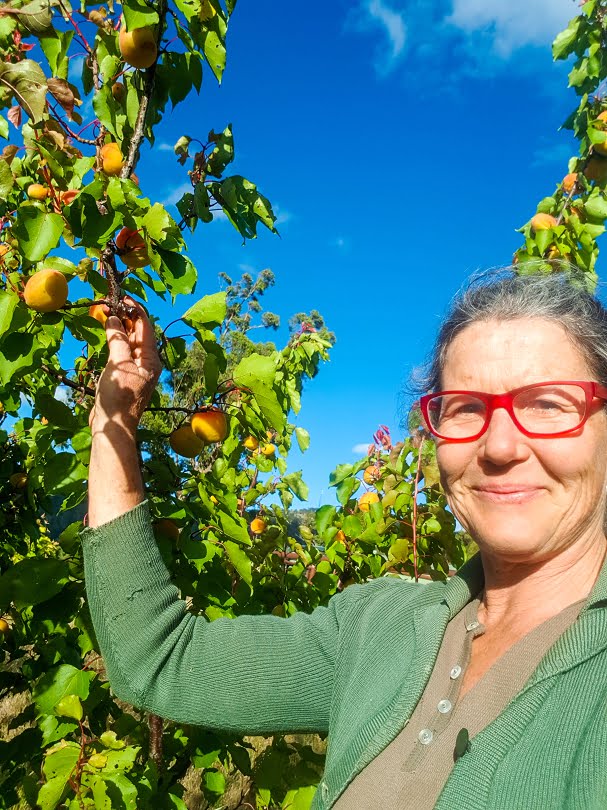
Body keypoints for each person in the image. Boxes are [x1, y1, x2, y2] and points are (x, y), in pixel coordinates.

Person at [82, 270, 607, 809]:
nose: (499, 447)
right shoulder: (378, 627)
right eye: (466, 408)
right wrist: (114, 419)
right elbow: (160, 660)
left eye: (547, 404)